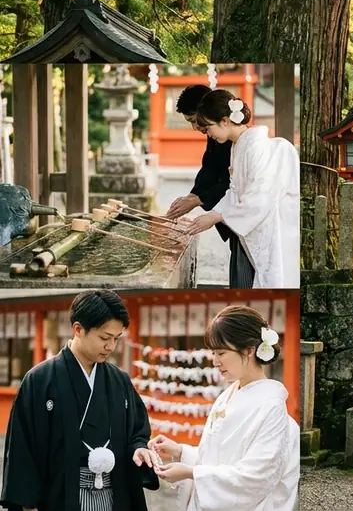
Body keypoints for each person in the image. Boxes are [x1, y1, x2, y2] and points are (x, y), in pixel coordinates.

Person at [1, 290, 159, 511]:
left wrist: (139, 447)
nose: (111, 347)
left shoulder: (119, 381)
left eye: (116, 338)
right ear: (78, 329)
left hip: (114, 496)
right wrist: (27, 505)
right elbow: (23, 448)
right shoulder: (39, 380)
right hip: (60, 497)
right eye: (104, 337)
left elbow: (137, 431)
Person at [150, 306, 299, 510]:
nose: (215, 361)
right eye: (213, 352)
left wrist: (191, 473)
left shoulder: (272, 406)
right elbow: (217, 457)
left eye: (221, 352)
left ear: (249, 350)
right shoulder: (227, 395)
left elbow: (256, 476)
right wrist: (180, 450)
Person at [183, 90, 300, 288]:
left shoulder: (256, 147)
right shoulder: (238, 146)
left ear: (225, 121)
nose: (208, 133)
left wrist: (218, 217)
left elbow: (259, 199)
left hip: (265, 228)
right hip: (247, 228)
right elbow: (235, 191)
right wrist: (214, 214)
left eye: (208, 127)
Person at [163, 85, 254, 287]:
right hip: (237, 218)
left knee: (247, 277)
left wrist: (207, 209)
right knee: (239, 277)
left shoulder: (244, 144)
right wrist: (193, 197)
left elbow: (238, 190)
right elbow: (210, 169)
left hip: (250, 224)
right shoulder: (219, 135)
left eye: (195, 121)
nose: (196, 128)